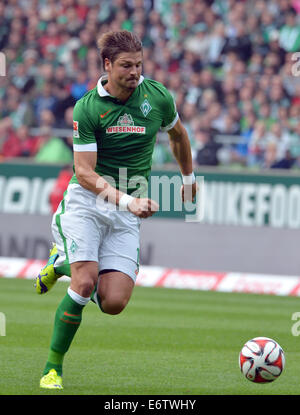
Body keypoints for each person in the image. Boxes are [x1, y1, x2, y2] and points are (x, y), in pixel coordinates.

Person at [36, 30, 197, 390]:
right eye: (126, 65)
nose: (134, 72)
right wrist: (128, 200)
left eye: (139, 64)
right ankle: (53, 368)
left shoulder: (156, 98)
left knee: (113, 302)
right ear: (107, 65)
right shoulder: (89, 107)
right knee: (84, 282)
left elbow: (179, 136)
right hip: (88, 203)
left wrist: (188, 179)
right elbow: (84, 172)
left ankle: (59, 263)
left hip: (126, 211)